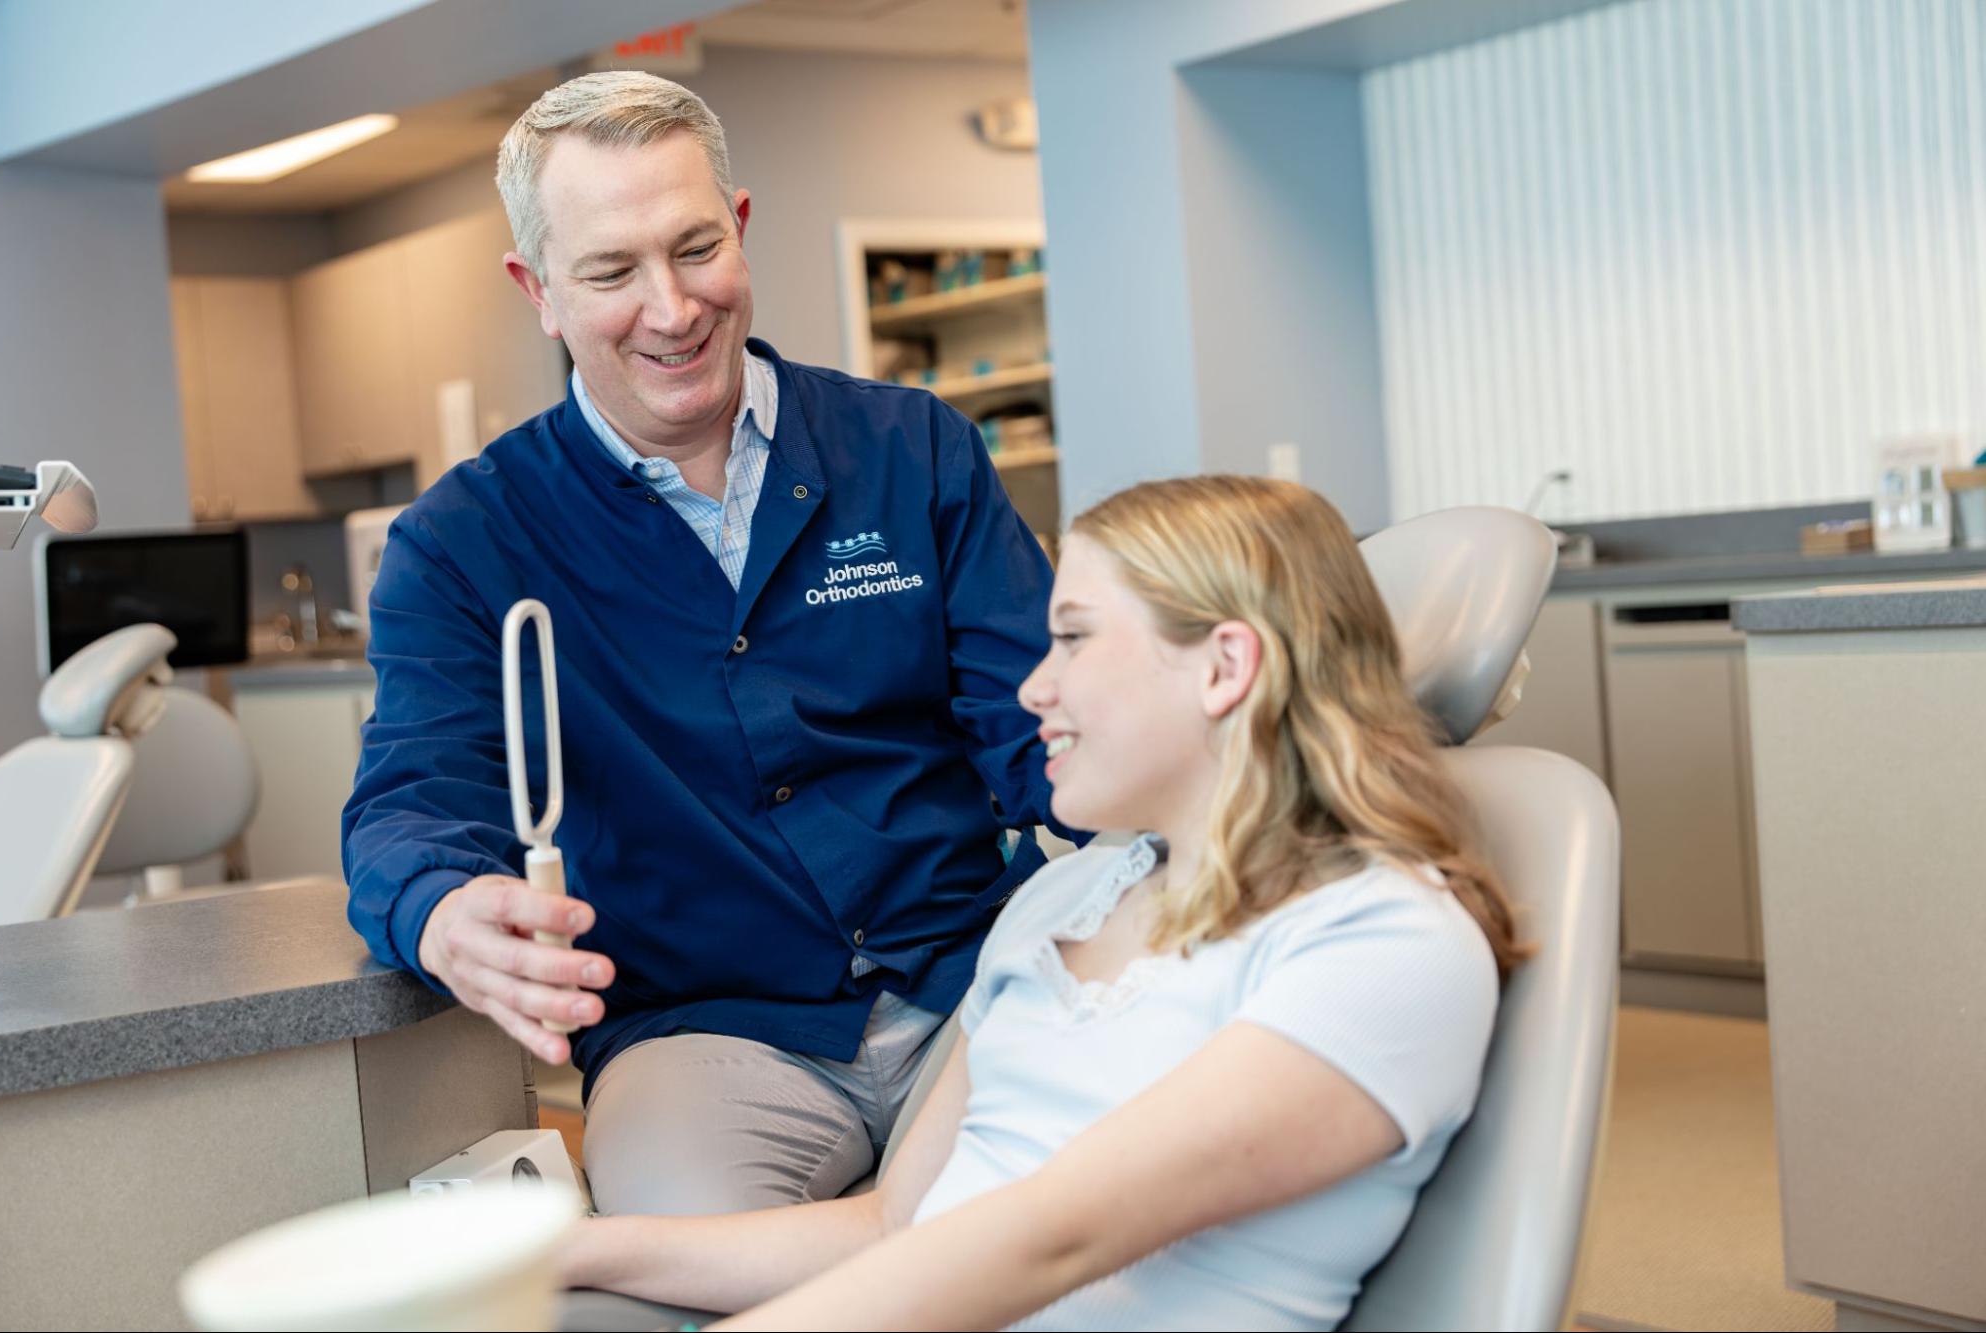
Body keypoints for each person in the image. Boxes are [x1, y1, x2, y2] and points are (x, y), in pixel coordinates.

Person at [341, 71, 1076, 1217]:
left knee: (1057, 1221)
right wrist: (441, 909)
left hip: (969, 984)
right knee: (699, 1249)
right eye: (611, 271)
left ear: (739, 227)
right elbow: (410, 804)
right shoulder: (462, 543)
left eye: (694, 250)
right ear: (538, 289)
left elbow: (1045, 722)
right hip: (709, 1035)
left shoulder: (908, 450)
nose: (672, 309)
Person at [557, 475, 1528, 1330]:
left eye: (1071, 640)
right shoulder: (1065, 897)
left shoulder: (1378, 940)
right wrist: (570, 1251)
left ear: (1225, 667)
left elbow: (1055, 1238)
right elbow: (896, 1225)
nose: (1031, 688)